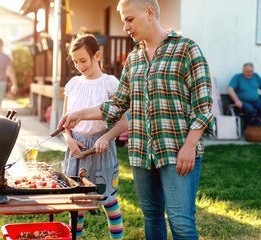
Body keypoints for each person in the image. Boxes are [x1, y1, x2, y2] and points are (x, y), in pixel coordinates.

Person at [58, 1, 214, 239]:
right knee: (151, 217)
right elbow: (118, 104)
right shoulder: (133, 59)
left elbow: (204, 106)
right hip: (141, 153)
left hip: (177, 151)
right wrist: (80, 114)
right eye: (123, 20)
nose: (125, 26)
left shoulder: (186, 49)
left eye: (129, 19)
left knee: (181, 223)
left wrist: (190, 146)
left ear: (149, 12)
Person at [63, 34, 128, 240]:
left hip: (102, 148)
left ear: (96, 56)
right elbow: (65, 122)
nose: (79, 65)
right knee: (76, 202)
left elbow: (124, 122)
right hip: (77, 149)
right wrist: (69, 139)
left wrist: (106, 138)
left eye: (83, 60)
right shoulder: (73, 84)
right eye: (75, 61)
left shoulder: (109, 83)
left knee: (108, 200)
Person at [227, 62, 261, 127]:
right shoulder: (238, 77)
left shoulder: (256, 76)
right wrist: (236, 100)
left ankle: (256, 125)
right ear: (243, 71)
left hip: (255, 101)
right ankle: (247, 127)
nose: (249, 73)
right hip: (242, 101)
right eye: (247, 71)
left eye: (251, 71)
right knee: (250, 110)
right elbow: (230, 88)